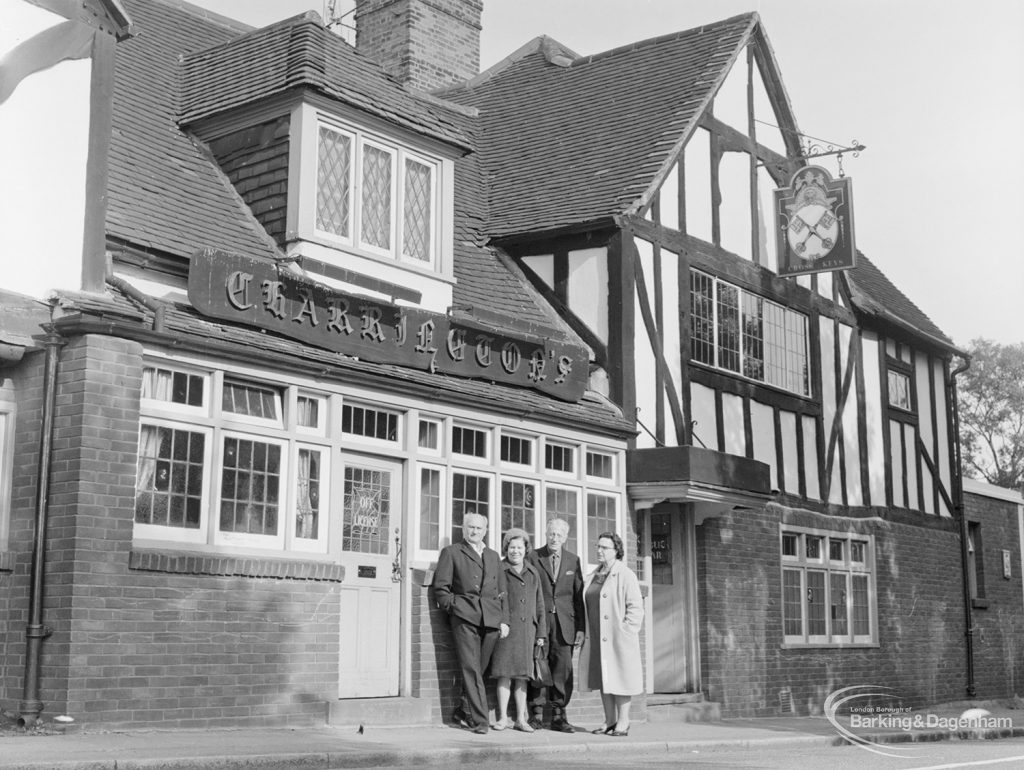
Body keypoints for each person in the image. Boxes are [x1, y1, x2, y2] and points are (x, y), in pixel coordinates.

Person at [433, 511, 510, 734]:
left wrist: (504, 620)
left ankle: (463, 709)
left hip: (491, 620)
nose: (474, 531)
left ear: (485, 531)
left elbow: (503, 591)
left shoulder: (494, 556)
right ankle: (480, 720)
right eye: (470, 527)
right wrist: (455, 607)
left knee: (480, 670)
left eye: (478, 528)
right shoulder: (452, 552)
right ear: (463, 529)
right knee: (471, 668)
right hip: (465, 618)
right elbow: (441, 588)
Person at [579, 531, 644, 737]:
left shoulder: (625, 575)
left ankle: (624, 722)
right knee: (603, 679)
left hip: (618, 637)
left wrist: (626, 630)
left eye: (604, 547)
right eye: (598, 546)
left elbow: (635, 607)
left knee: (621, 679)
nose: (599, 550)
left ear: (616, 551)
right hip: (596, 636)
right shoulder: (593, 575)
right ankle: (609, 720)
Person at [526, 517, 585, 731]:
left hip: (565, 625)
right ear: (546, 534)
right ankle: (537, 714)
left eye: (559, 535)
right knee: (539, 665)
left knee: (562, 669)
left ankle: (559, 716)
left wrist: (581, 628)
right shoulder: (533, 557)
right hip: (540, 622)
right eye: (551, 533)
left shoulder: (573, 560)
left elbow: (578, 597)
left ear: (565, 538)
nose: (554, 538)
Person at [488, 528, 547, 732]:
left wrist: (541, 633)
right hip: (506, 631)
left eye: (519, 547)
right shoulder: (499, 569)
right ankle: (503, 718)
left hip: (527, 632)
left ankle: (521, 719)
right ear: (506, 548)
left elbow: (540, 604)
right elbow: (495, 599)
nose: (515, 551)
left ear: (525, 549)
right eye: (512, 547)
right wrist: (501, 623)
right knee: (504, 674)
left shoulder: (533, 572)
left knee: (523, 677)